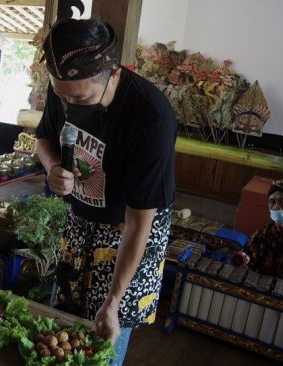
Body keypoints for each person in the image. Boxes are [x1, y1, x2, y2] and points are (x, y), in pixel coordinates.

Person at [35, 19, 177, 365]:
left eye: (80, 98)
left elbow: (139, 224)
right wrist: (52, 167)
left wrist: (113, 301)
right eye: (61, 95)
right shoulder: (66, 88)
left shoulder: (151, 118)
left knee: (106, 326)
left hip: (127, 230)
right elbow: (44, 139)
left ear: (113, 74)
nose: (69, 105)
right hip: (81, 217)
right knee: (66, 316)